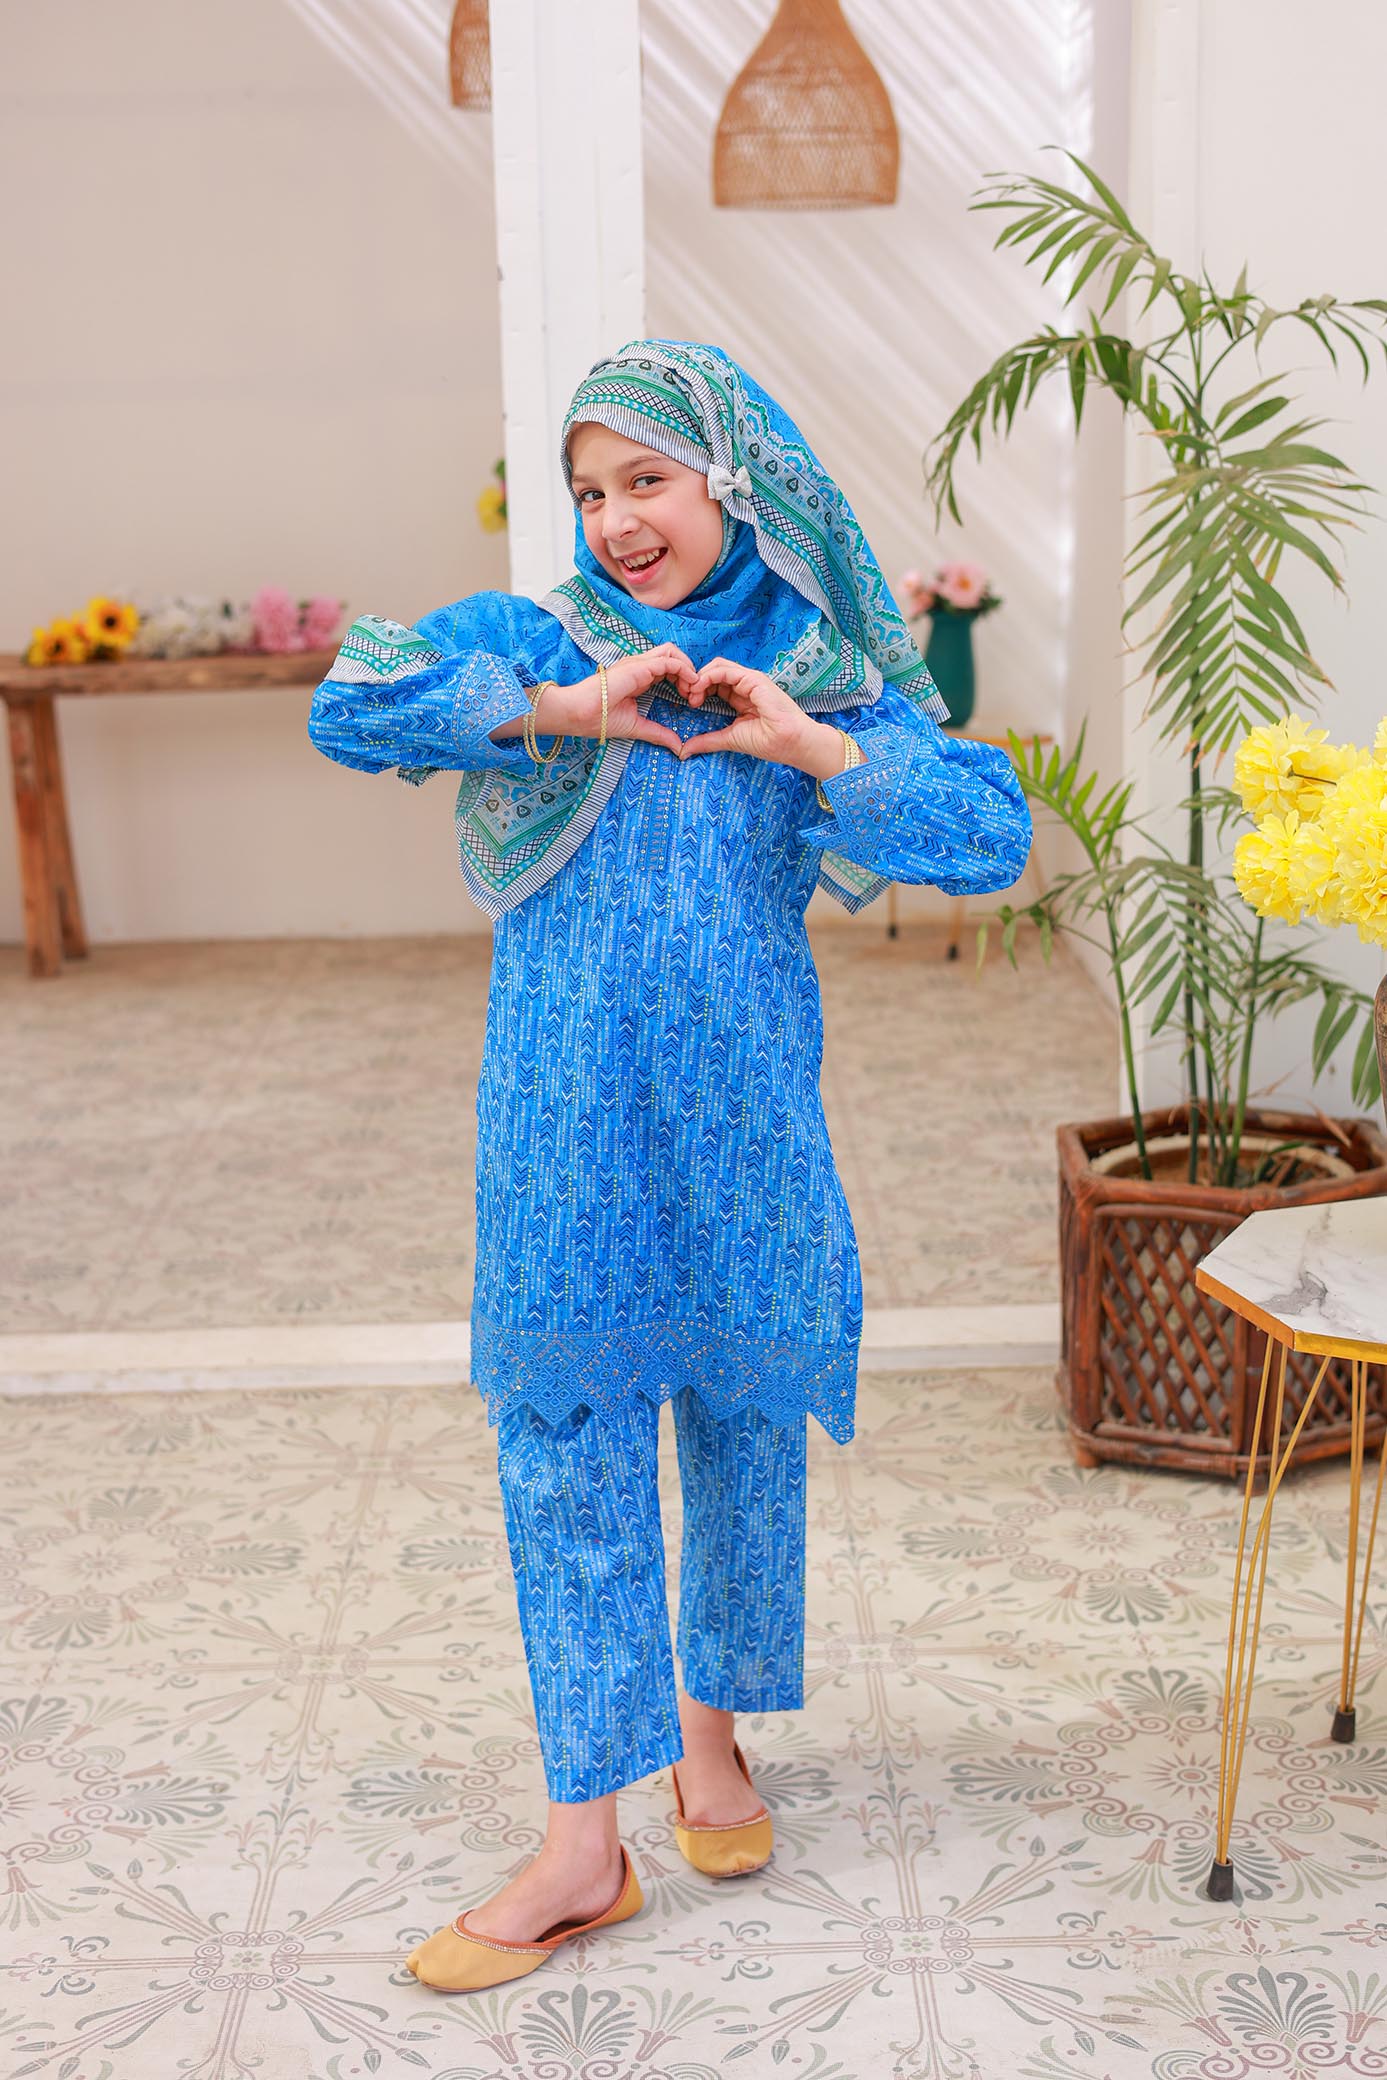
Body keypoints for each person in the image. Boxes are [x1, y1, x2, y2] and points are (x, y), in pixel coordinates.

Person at [307, 339, 1032, 1992]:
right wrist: (562, 712)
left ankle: (712, 1743)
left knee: (737, 1416)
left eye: (647, 479)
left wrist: (812, 749)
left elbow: (989, 835)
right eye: (590, 490)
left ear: (733, 476)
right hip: (563, 1126)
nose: (617, 521)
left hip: (746, 1118)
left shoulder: (817, 664)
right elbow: (349, 703)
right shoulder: (541, 635)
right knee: (563, 1440)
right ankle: (584, 1845)